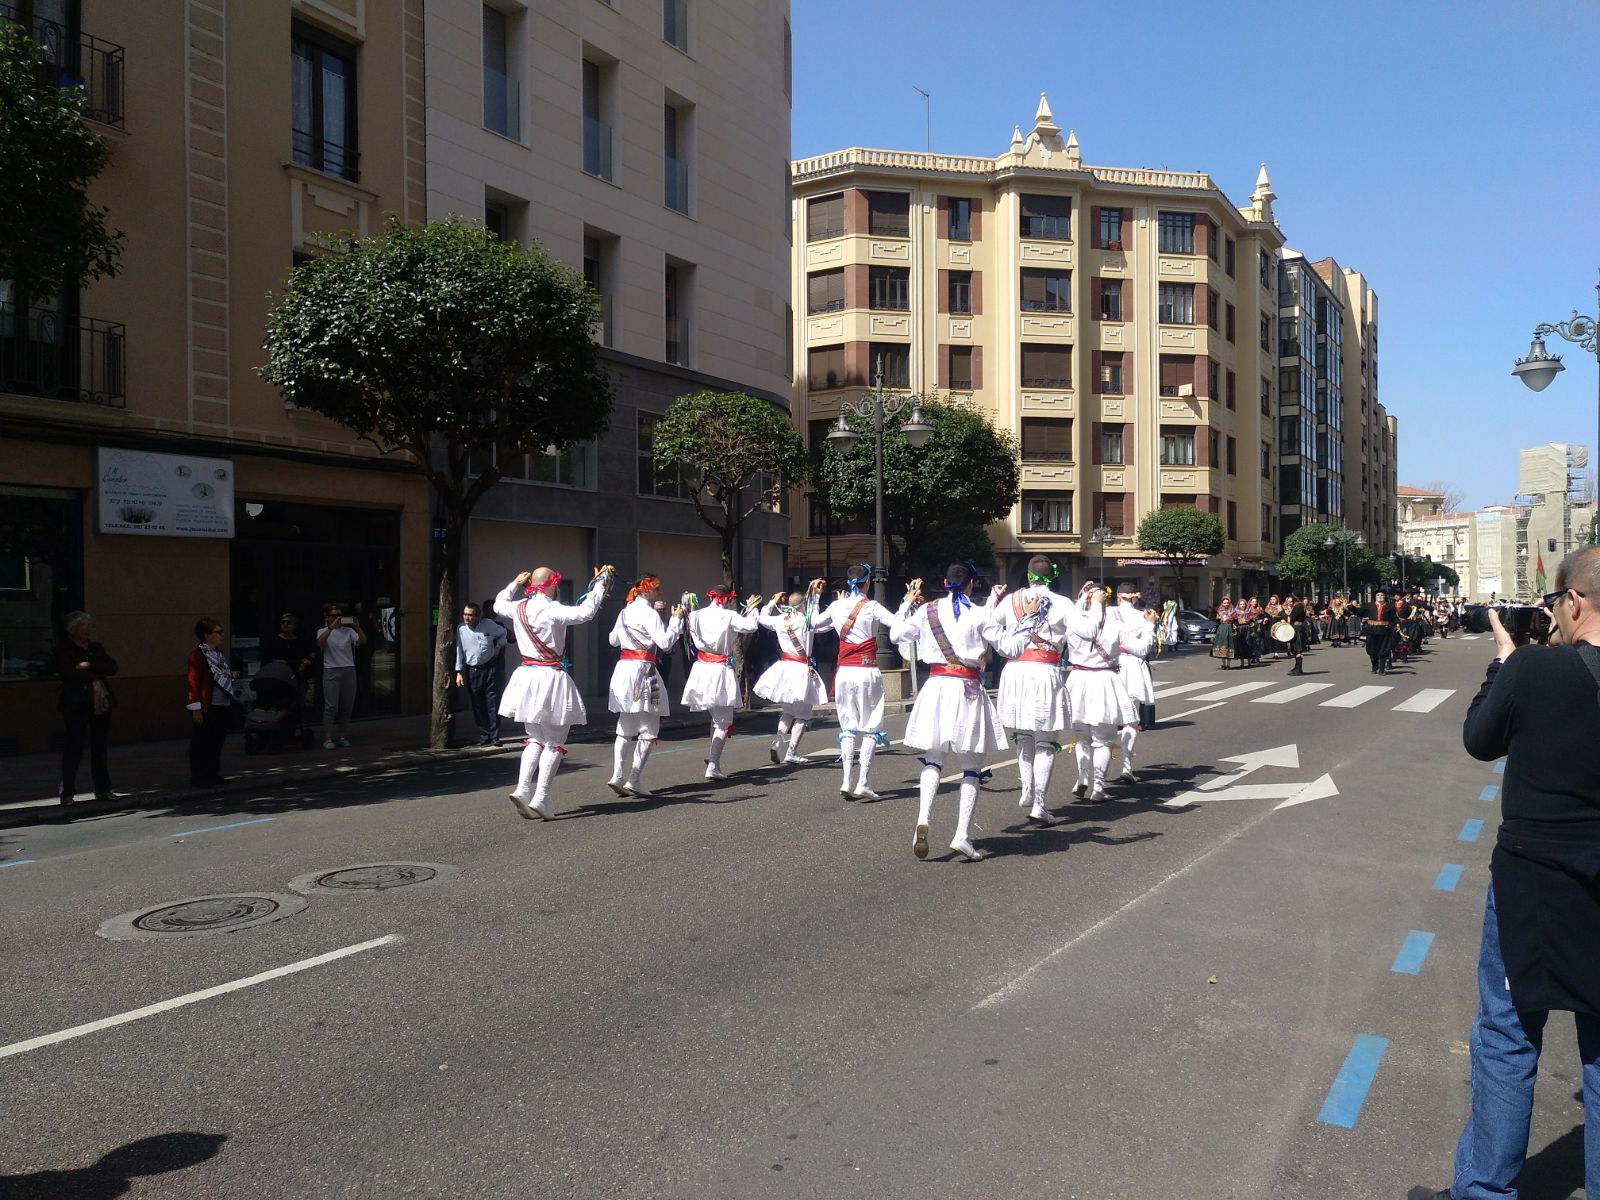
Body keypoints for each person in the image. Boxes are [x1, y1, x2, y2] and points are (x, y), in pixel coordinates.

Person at [1410, 547, 1600, 1200]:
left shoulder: (1537, 671)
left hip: (1537, 887)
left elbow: (1479, 737)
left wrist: (1506, 659)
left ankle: (1485, 1192)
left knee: (1508, 1038)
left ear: (1573, 601)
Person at [888, 563, 1008, 862]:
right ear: (971, 584)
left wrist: (905, 603)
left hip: (936, 686)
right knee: (971, 765)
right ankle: (962, 836)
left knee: (933, 758)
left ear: (945, 582)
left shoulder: (926, 610)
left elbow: (895, 635)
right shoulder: (980, 613)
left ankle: (924, 817)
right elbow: (1008, 646)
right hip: (966, 688)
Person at [495, 565, 612, 819]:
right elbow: (586, 612)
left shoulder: (519, 607)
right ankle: (541, 797)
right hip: (550, 677)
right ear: (551, 583)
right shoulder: (552, 608)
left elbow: (498, 604)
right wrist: (601, 583)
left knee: (534, 737)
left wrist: (514, 583)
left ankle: (523, 788)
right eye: (556, 582)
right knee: (554, 741)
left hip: (526, 676)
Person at [986, 554, 1071, 822]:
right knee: (1045, 741)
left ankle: (1026, 789)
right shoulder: (1062, 602)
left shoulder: (1011, 600)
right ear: (1052, 575)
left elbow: (988, 624)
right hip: (1044, 671)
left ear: (1028, 574)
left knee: (1023, 734)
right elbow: (1087, 631)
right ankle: (1039, 804)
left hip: (1015, 670)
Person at [814, 564, 907, 800]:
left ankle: (846, 779)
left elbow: (813, 624)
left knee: (847, 727)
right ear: (867, 583)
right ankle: (863, 782)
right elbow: (897, 623)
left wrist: (815, 597)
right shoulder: (872, 606)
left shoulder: (835, 606)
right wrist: (907, 602)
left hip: (844, 672)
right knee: (870, 726)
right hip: (866, 670)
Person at [606, 575, 685, 797]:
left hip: (623, 670)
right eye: (657, 588)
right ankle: (634, 779)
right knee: (649, 727)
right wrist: (676, 621)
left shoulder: (624, 611)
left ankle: (617, 775)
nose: (660, 592)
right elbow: (665, 643)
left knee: (625, 724)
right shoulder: (649, 613)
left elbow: (613, 640)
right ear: (646, 589)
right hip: (644, 671)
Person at [681, 586, 762, 780]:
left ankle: (713, 760)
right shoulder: (729, 615)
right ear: (725, 599)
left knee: (717, 718)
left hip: (701, 668)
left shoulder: (695, 615)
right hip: (719, 669)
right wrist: (753, 608)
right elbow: (751, 626)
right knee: (724, 720)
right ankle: (713, 763)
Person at [1065, 581, 1136, 802]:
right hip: (1104, 680)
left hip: (1077, 680)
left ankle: (1082, 777)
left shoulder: (1073, 623)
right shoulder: (1115, 624)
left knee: (1082, 738)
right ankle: (1098, 788)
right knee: (1103, 740)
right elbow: (1140, 649)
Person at [753, 580, 829, 765]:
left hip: (784, 668)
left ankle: (777, 743)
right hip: (800, 670)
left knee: (787, 711)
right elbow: (823, 621)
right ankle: (792, 752)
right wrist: (817, 596)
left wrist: (772, 602)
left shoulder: (780, 620)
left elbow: (762, 618)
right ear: (803, 605)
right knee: (802, 715)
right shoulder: (807, 621)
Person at [56, 611, 117, 808]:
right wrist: (95, 673)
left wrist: (89, 666)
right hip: (76, 703)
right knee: (74, 747)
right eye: (84, 626)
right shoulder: (64, 649)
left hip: (100, 703)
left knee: (99, 747)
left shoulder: (95, 648)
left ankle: (103, 789)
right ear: (73, 630)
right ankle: (67, 793)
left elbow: (112, 667)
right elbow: (69, 675)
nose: (89, 629)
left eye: (89, 625)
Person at [1110, 585, 1158, 783]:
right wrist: (1150, 625)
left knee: (1103, 722)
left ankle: (1088, 776)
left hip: (1108, 665)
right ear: (1134, 597)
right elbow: (1147, 647)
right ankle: (1126, 767)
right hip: (1131, 666)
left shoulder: (1106, 612)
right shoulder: (1142, 617)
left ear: (1117, 596)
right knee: (1131, 720)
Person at [185, 617, 235, 787]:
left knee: (217, 740)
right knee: (202, 742)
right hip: (207, 705)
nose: (222, 635)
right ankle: (199, 776)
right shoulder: (198, 655)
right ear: (207, 635)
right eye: (218, 632)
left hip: (222, 703)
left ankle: (213, 773)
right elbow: (194, 682)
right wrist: (196, 709)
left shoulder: (219, 654)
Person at [454, 602, 508, 746]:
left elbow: (504, 634)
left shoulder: (488, 624)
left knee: (492, 702)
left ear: (478, 616)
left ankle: (495, 736)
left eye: (470, 615)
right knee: (478, 704)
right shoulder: (461, 629)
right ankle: (484, 736)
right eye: (465, 614)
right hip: (473, 670)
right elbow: (459, 650)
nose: (467, 618)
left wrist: (498, 646)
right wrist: (458, 671)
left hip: (490, 668)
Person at [317, 603, 366, 749]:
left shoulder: (348, 631)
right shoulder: (322, 630)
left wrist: (357, 626)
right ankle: (328, 738)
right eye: (334, 615)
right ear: (327, 617)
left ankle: (343, 736)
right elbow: (320, 643)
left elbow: (362, 641)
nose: (338, 618)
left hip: (348, 669)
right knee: (331, 706)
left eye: (340, 615)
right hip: (331, 670)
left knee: (347, 706)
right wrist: (331, 627)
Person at [1364, 589, 1396, 675]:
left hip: (1384, 630)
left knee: (1384, 650)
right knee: (1371, 649)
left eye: (1382, 595)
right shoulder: (1369, 605)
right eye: (1378, 595)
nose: (1380, 597)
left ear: (1385, 597)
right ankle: (1375, 666)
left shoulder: (1390, 606)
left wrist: (1397, 624)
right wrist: (1351, 607)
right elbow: (1360, 612)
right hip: (1372, 630)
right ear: (1375, 597)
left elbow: (1394, 618)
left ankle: (1382, 669)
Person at [1285, 593, 1310, 676]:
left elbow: (1292, 617)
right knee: (1295, 649)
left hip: (1298, 629)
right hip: (1297, 628)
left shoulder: (1298, 606)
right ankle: (1296, 666)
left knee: (1298, 648)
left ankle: (1299, 668)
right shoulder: (1300, 606)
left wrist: (1286, 613)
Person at [1211, 596, 1238, 668]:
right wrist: (1214, 628)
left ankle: (1228, 664)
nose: (1226, 604)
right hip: (1221, 629)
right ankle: (1223, 664)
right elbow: (1217, 622)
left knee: (1229, 645)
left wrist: (1234, 625)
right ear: (1222, 604)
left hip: (1229, 628)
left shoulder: (1233, 611)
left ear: (1229, 603)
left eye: (1227, 603)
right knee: (1221, 644)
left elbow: (1236, 621)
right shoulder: (1219, 612)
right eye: (1224, 603)